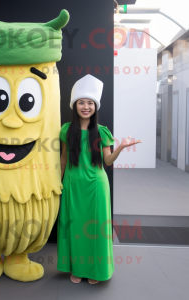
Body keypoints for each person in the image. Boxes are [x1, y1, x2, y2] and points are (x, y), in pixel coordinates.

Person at [56, 74, 142, 285]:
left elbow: (108, 161)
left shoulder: (102, 132)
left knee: (96, 230)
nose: (86, 107)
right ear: (75, 105)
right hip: (73, 185)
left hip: (96, 186)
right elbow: (64, 158)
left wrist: (120, 147)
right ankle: (77, 268)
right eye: (82, 102)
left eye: (90, 103)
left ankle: (96, 270)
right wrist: (58, 182)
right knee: (74, 228)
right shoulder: (66, 130)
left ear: (95, 106)